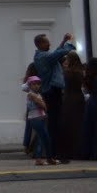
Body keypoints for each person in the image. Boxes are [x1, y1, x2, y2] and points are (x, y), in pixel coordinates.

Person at [32, 32, 77, 164]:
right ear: (40, 44)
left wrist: (63, 41)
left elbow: (56, 53)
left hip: (51, 91)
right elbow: (59, 54)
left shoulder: (43, 56)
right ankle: (56, 154)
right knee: (55, 124)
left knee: (54, 123)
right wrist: (69, 43)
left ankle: (54, 154)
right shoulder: (43, 56)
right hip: (52, 91)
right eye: (46, 42)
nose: (49, 44)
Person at [57, 53, 87, 160]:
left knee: (68, 124)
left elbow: (62, 85)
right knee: (79, 123)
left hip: (68, 99)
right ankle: (80, 150)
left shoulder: (66, 73)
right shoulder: (81, 72)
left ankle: (69, 151)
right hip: (79, 97)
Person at [23, 75, 55, 166]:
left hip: (40, 118)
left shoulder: (36, 94)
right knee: (44, 138)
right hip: (36, 118)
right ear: (30, 85)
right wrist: (44, 105)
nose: (37, 86)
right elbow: (42, 104)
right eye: (34, 84)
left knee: (42, 139)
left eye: (38, 84)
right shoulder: (31, 94)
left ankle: (46, 158)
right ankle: (45, 158)